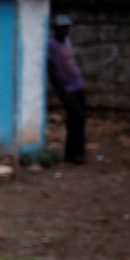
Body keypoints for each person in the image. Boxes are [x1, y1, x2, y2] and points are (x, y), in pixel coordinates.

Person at [48, 12, 88, 163]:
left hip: (78, 84)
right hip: (67, 88)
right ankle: (74, 154)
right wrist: (63, 90)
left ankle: (75, 153)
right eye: (61, 28)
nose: (65, 31)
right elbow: (51, 69)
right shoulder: (52, 45)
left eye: (66, 27)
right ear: (55, 29)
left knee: (79, 119)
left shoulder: (67, 41)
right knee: (77, 117)